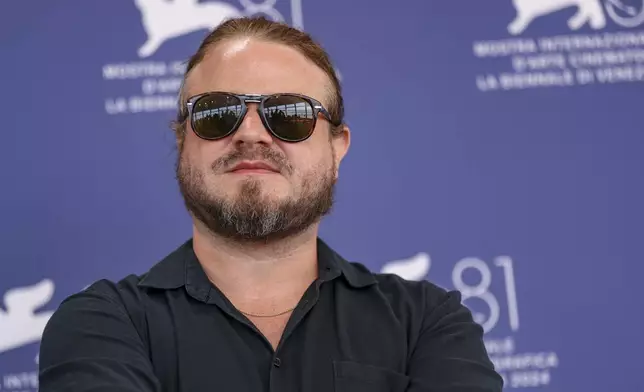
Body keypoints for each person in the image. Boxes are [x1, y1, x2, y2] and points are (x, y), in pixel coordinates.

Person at [39, 16, 503, 392]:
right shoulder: (101, 324)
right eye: (218, 112)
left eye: (289, 114)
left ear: (337, 147)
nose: (251, 133)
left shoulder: (425, 323)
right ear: (183, 142)